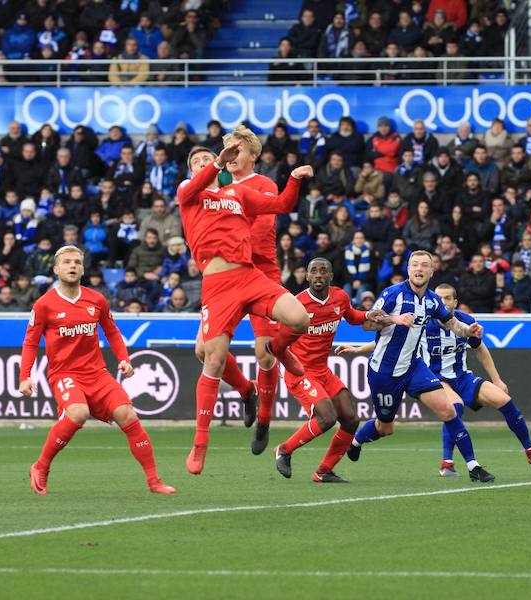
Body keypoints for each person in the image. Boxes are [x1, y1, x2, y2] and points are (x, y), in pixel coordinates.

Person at [177, 140, 313, 474]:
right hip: (219, 286)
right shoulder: (189, 192)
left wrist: (294, 179)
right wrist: (216, 163)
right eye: (198, 160)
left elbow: (281, 204)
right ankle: (200, 443)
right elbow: (195, 183)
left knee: (300, 318)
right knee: (212, 357)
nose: (204, 162)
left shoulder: (236, 194)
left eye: (207, 157)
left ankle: (281, 350)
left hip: (251, 276)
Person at [21, 245, 174, 495]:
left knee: (128, 414)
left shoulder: (96, 299)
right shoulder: (44, 305)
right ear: (56, 269)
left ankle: (154, 481)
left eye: (77, 262)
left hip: (97, 373)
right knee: (79, 413)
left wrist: (124, 359)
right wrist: (25, 376)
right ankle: (41, 466)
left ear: (82, 269)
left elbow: (112, 332)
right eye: (67, 262)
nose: (72, 266)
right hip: (65, 374)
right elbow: (30, 342)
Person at [344, 251, 496, 482]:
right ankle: (356, 442)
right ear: (408, 269)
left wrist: (468, 331)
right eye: (415, 264)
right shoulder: (392, 293)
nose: (419, 268)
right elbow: (366, 323)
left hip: (414, 367)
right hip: (384, 372)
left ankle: (473, 466)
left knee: (448, 410)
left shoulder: (433, 300)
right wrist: (394, 319)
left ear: (432, 271)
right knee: (386, 428)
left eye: (425, 265)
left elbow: (453, 325)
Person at [190, 126, 293, 446]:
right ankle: (245, 390)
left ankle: (264, 420)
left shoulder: (262, 185)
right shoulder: (217, 184)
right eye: (228, 149)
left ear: (252, 154)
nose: (232, 155)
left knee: (264, 354)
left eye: (238, 149)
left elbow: (261, 225)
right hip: (225, 277)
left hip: (258, 270)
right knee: (201, 350)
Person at [270, 258, 408, 482]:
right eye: (313, 271)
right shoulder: (297, 304)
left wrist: (367, 315)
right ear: (306, 277)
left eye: (323, 271)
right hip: (300, 372)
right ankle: (284, 450)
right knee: (326, 417)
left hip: (322, 371)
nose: (318, 275)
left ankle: (323, 471)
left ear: (331, 276)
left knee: (351, 419)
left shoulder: (340, 297)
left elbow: (352, 317)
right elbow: (278, 340)